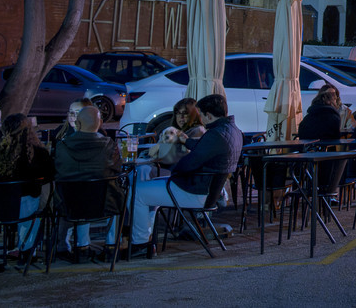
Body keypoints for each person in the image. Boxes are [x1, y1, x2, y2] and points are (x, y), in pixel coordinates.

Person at [128, 93, 241, 258]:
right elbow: (204, 148)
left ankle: (140, 243)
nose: (201, 118)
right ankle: (147, 237)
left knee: (137, 192)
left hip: (195, 191)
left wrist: (172, 166)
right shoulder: (233, 131)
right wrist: (185, 140)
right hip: (207, 191)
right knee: (148, 190)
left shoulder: (215, 134)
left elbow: (188, 164)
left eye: (201, 115)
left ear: (209, 115)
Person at [0, 113, 56, 260]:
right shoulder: (37, 153)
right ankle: (27, 248)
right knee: (36, 201)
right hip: (24, 211)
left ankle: (20, 247)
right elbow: (50, 175)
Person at [52, 104, 124, 261]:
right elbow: (117, 169)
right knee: (116, 190)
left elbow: (57, 170)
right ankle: (111, 246)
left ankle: (82, 247)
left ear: (78, 123)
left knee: (80, 189)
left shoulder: (62, 146)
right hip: (104, 203)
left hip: (70, 204)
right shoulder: (109, 145)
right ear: (100, 123)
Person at [152, 99, 205, 170]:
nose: (181, 117)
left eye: (185, 113)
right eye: (178, 113)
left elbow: (174, 156)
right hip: (170, 169)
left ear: (194, 115)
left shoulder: (198, 131)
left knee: (143, 169)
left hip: (180, 172)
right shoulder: (177, 131)